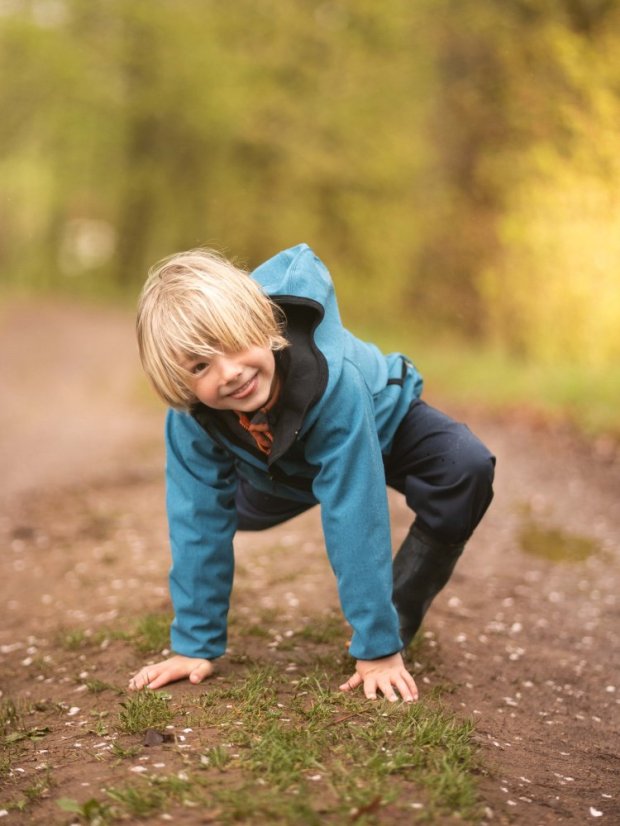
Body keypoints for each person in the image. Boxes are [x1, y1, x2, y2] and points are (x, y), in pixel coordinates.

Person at [129, 243, 495, 702]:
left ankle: (393, 618)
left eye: (233, 344)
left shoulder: (333, 380)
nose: (230, 373)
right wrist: (194, 645)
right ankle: (221, 620)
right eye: (201, 367)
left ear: (260, 324)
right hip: (275, 470)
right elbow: (196, 522)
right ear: (181, 383)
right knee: (218, 514)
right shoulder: (190, 419)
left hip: (380, 428)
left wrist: (377, 647)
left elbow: (355, 515)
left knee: (465, 466)